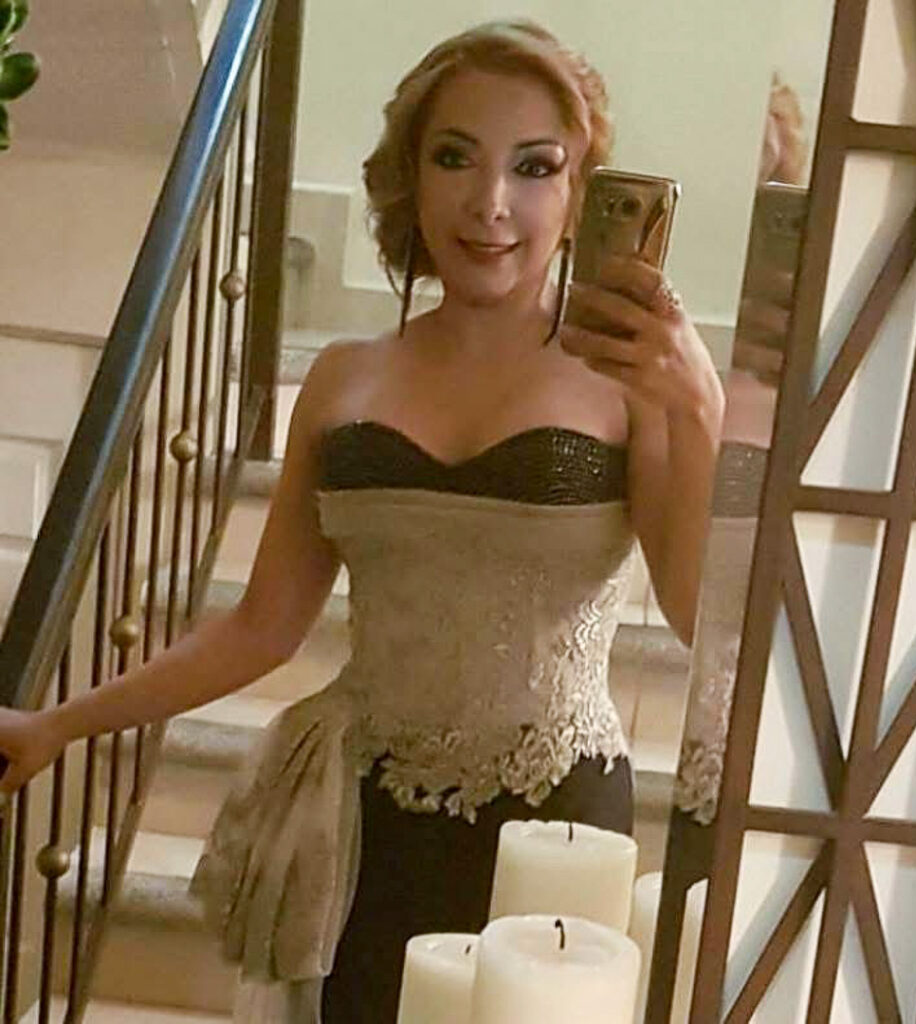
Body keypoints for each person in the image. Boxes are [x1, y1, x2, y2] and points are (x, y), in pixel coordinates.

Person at [0, 20, 723, 1022]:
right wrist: (57, 723)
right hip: (370, 829)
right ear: (410, 177)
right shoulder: (343, 379)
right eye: (455, 157)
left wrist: (699, 411)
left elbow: (694, 612)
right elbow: (260, 628)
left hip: (556, 829)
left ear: (580, 191)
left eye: (534, 167)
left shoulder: (630, 380)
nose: (490, 203)